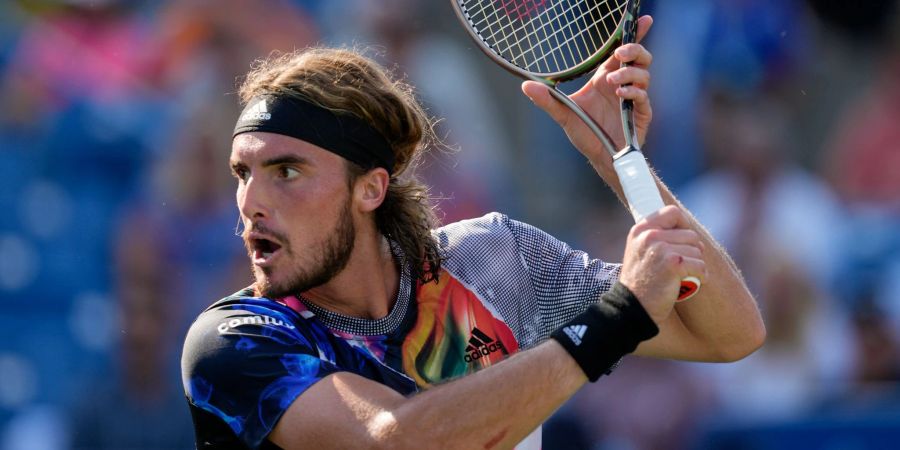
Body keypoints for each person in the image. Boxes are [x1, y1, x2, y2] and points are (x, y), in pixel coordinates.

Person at [181, 16, 765, 450]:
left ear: (370, 189)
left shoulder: (492, 260)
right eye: (243, 173)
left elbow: (729, 334)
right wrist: (618, 315)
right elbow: (399, 442)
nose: (250, 203)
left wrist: (619, 159)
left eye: (286, 171)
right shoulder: (235, 342)